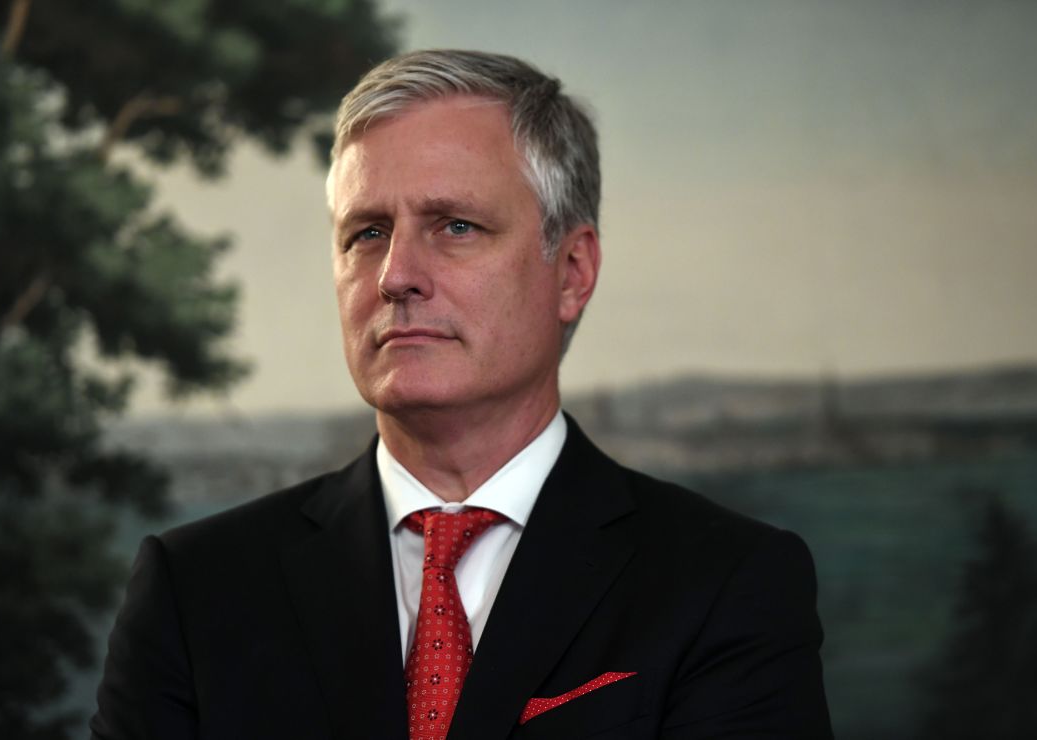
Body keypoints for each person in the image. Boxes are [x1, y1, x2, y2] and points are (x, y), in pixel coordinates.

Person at [91, 50, 833, 740]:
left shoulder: (726, 583)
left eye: (455, 225)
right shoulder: (194, 591)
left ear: (571, 272)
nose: (396, 275)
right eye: (367, 233)